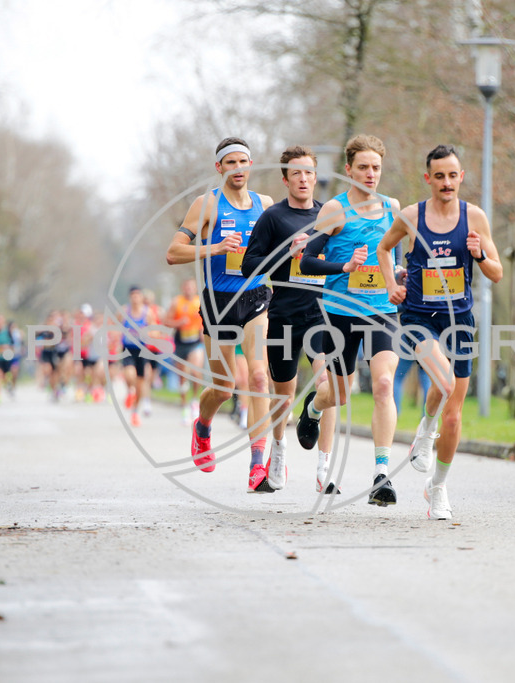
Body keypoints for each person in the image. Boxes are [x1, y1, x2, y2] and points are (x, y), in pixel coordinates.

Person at [377, 144, 503, 520]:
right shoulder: (412, 216)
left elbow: (496, 272)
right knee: (445, 384)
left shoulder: (475, 217)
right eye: (440, 176)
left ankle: (438, 487)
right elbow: (384, 249)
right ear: (427, 178)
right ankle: (426, 433)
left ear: (461, 177)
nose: (447, 183)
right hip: (418, 316)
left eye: (453, 175)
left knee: (453, 414)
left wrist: (479, 254)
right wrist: (390, 286)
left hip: (460, 318)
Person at [296, 134, 402, 506]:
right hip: (340, 313)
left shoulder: (392, 207)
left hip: (382, 311)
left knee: (384, 384)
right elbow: (307, 262)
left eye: (375, 167)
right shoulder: (334, 211)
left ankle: (381, 474)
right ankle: (312, 407)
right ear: (348, 170)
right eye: (363, 167)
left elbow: (394, 255)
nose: (370, 174)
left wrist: (399, 275)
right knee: (339, 394)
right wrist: (345, 265)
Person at [165, 137, 275, 492]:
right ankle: (203, 427)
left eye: (244, 161)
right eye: (231, 163)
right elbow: (173, 252)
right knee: (224, 387)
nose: (238, 168)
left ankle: (258, 464)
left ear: (251, 166)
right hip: (218, 302)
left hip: (256, 296)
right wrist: (214, 247)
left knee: (259, 379)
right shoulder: (207, 203)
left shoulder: (266, 205)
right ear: (219, 168)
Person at [242, 145, 340, 493]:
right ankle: (280, 453)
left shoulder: (330, 217)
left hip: (321, 313)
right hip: (283, 315)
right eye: (296, 173)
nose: (303, 179)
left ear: (316, 177)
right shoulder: (273, 218)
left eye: (309, 173)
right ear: (285, 179)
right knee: (283, 393)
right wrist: (287, 251)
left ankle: (324, 468)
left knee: (330, 384)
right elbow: (248, 266)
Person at [165, 278, 206, 425]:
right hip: (180, 342)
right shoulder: (177, 302)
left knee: (195, 372)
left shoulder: (200, 302)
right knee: (182, 376)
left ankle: (194, 400)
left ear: (195, 289)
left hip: (195, 342)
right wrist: (178, 323)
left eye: (192, 287)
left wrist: (203, 331)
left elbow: (206, 319)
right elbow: (166, 321)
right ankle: (184, 407)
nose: (189, 289)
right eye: (187, 286)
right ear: (183, 288)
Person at [121, 287, 155, 426]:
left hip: (142, 350)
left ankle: (135, 411)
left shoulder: (148, 313)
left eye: (137, 295)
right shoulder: (124, 311)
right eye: (133, 295)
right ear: (130, 297)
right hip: (128, 349)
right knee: (130, 375)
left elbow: (154, 330)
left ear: (141, 297)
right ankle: (130, 391)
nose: (135, 298)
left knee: (141, 382)